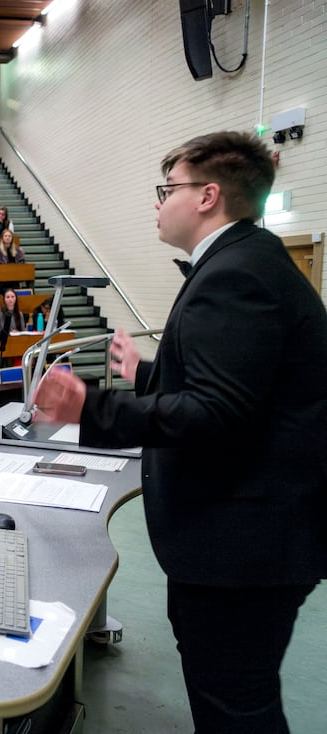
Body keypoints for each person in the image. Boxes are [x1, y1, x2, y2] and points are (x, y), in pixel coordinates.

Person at [33, 131, 327, 733]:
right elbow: (237, 384)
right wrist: (146, 373)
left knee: (234, 706)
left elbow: (218, 412)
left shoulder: (236, 274)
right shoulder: (247, 260)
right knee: (232, 692)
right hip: (251, 538)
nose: (158, 202)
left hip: (244, 547)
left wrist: (91, 406)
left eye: (168, 189)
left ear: (208, 196)